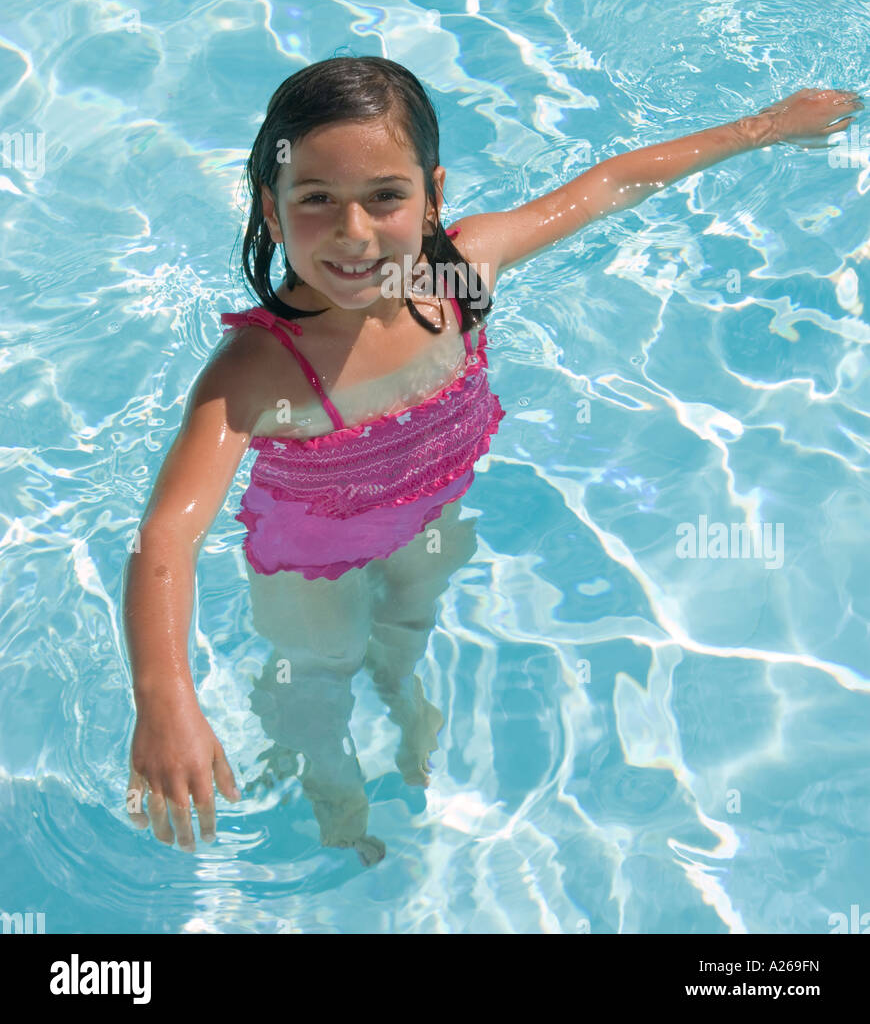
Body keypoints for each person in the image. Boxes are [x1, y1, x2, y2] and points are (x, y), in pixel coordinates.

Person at [123, 57, 862, 864]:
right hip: (314, 559)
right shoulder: (258, 370)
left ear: (433, 194)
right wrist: (165, 699)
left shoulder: (461, 275)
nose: (355, 232)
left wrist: (766, 127)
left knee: (409, 623)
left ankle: (403, 696)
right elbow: (167, 537)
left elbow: (610, 184)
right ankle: (331, 788)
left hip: (433, 512)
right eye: (316, 200)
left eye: (386, 196)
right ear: (271, 209)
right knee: (321, 670)